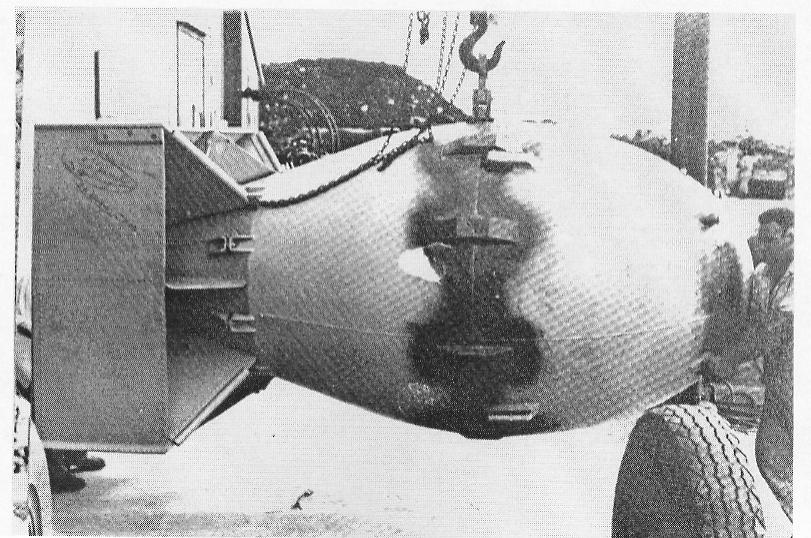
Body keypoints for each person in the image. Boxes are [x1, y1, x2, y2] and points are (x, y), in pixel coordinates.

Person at [702, 206, 793, 521]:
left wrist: (729, 361)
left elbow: (776, 329)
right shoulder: (762, 277)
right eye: (760, 240)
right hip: (778, 385)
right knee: (770, 457)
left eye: (770, 240)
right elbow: (749, 324)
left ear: (791, 237)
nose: (762, 247)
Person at [15, 272, 106, 493]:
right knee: (50, 391)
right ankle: (53, 469)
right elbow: (29, 323)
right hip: (25, 344)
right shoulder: (36, 275)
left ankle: (74, 455)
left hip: (41, 344)